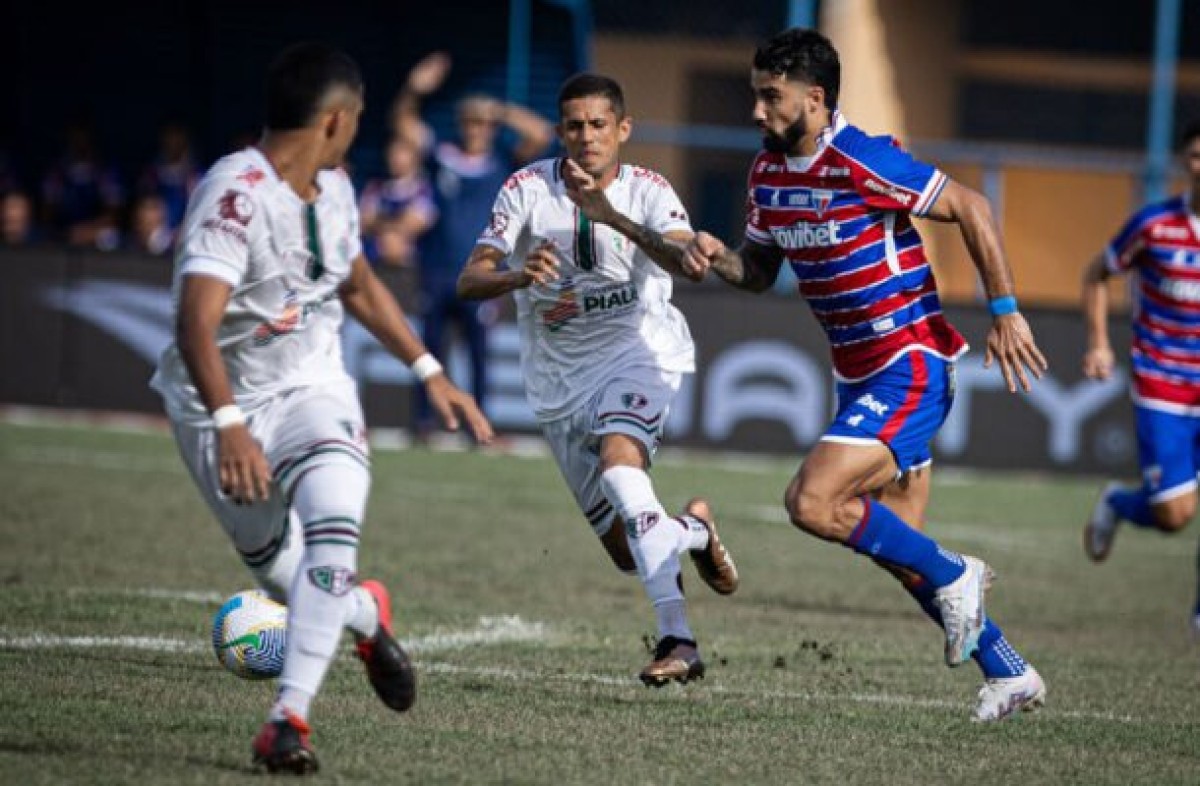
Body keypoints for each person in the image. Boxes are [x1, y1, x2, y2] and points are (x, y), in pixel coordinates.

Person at [681, 28, 1049, 721]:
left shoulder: (862, 159)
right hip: (856, 375)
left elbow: (972, 205)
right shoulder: (767, 176)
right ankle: (1009, 671)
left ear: (815, 100)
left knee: (812, 504)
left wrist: (1005, 311)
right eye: (753, 95)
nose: (756, 112)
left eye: (771, 97)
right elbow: (758, 274)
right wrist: (715, 255)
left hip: (908, 362)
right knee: (899, 548)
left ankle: (959, 571)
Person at [149, 42, 493, 774]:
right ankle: (367, 617)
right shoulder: (234, 195)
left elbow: (359, 285)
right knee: (281, 571)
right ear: (334, 120)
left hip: (313, 387)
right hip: (219, 406)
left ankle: (287, 719)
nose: (360, 128)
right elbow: (193, 324)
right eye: (358, 116)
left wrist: (429, 369)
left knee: (335, 523)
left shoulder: (334, 189)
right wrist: (230, 424)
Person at [457, 73, 739, 685]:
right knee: (624, 549)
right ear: (560, 133)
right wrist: (515, 277)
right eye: (575, 126)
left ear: (623, 129)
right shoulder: (526, 189)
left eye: (599, 125)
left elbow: (677, 252)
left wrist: (617, 218)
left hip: (639, 356)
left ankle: (679, 641)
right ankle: (693, 530)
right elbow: (469, 278)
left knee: (621, 468)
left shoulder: (648, 190)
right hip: (559, 386)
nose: (587, 136)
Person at [394, 51, 554, 439]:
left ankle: (478, 427)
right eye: (471, 121)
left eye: (483, 123)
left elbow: (542, 134)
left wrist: (501, 111)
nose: (477, 129)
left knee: (479, 355)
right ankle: (425, 422)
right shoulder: (443, 156)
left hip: (482, 272)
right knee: (429, 351)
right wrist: (414, 90)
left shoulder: (502, 161)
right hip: (435, 270)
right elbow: (404, 125)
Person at [1082, 121, 1200, 633]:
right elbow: (1097, 274)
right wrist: (1099, 342)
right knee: (1175, 515)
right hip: (1162, 386)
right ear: (1183, 161)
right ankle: (1119, 502)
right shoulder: (1153, 226)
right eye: (1196, 154)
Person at [358, 134, 437, 268]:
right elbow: (363, 221)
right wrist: (393, 226)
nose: (395, 158)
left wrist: (380, 223)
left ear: (414, 157)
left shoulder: (422, 189)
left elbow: (414, 224)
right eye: (392, 153)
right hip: (375, 263)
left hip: (408, 267)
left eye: (401, 152)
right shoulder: (375, 187)